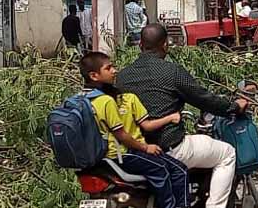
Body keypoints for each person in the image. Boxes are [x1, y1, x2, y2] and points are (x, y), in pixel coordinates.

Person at [117, 24, 246, 208]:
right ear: (165, 45)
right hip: (169, 147)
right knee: (227, 154)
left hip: (134, 150)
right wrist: (234, 106)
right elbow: (203, 98)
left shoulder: (122, 76)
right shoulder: (172, 72)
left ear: (140, 46)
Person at [80, 51, 188, 208]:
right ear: (94, 76)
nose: (114, 70)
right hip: (124, 154)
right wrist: (146, 147)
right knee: (177, 170)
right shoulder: (107, 101)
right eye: (108, 68)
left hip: (100, 158)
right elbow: (122, 135)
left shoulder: (83, 99)